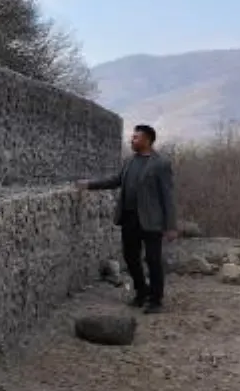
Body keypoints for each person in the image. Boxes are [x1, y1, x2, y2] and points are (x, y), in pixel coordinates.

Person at [76, 124, 178, 314]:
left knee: (153, 259)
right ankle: (141, 292)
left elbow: (168, 196)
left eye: (136, 137)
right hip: (129, 218)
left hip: (151, 221)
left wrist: (170, 226)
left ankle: (156, 300)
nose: (132, 140)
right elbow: (116, 180)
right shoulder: (130, 161)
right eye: (132, 137)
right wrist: (89, 185)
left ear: (147, 140)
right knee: (130, 257)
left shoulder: (161, 164)